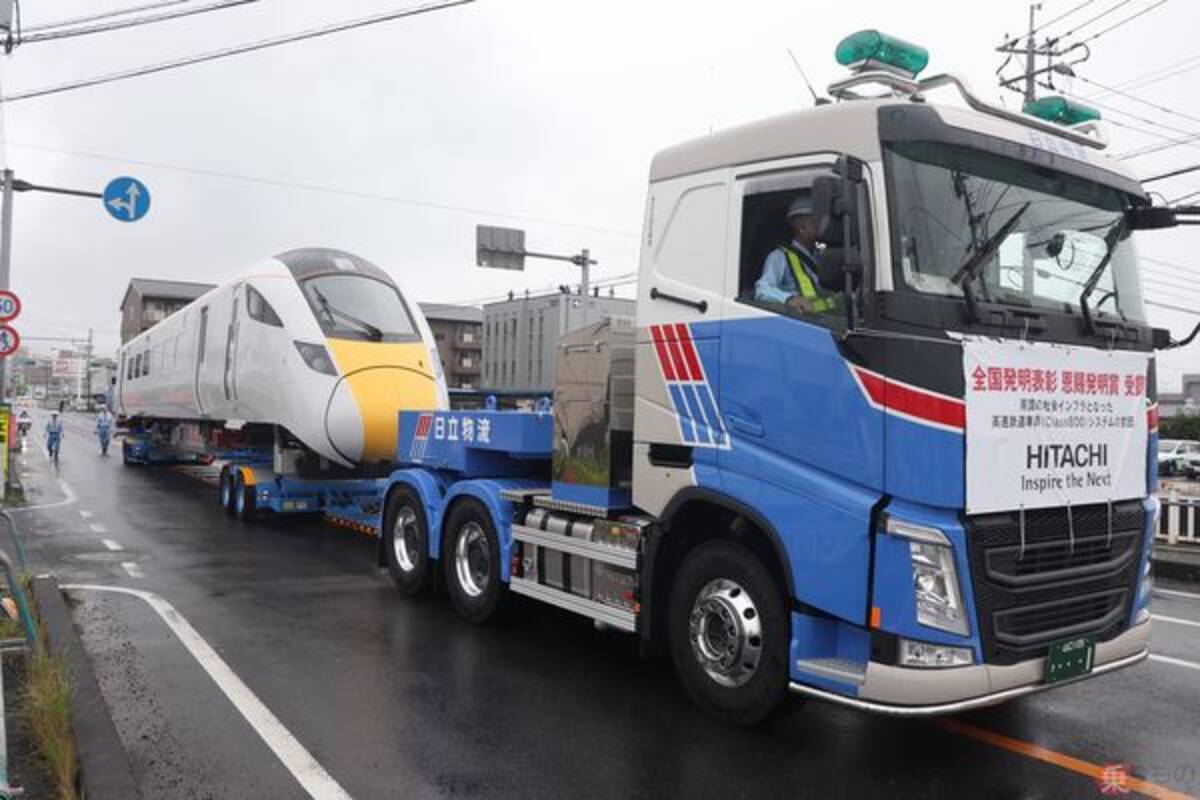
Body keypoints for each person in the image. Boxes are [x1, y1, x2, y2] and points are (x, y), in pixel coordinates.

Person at [754, 194, 839, 314]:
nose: (822, 227)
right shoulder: (779, 257)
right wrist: (790, 299)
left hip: (827, 323)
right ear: (801, 226)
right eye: (816, 222)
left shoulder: (820, 256)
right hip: (801, 323)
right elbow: (762, 290)